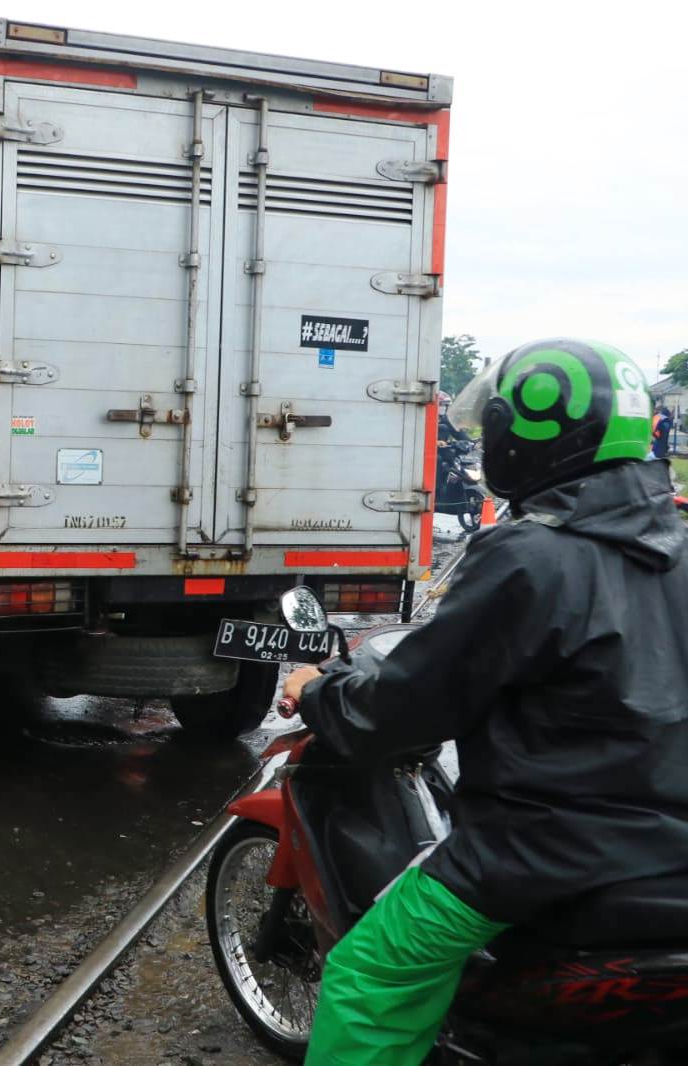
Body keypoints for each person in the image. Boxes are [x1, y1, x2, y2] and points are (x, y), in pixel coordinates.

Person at [282, 338, 688, 1064]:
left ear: (519, 433)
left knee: (368, 973)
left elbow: (402, 709)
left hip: (544, 852)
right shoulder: (676, 542)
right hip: (669, 849)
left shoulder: (531, 556)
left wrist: (320, 694)